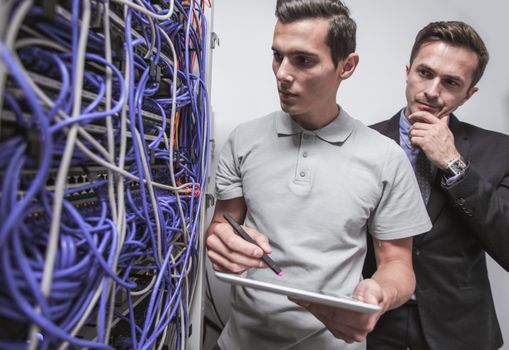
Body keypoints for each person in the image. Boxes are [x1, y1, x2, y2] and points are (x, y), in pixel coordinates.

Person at [205, 0, 432, 349]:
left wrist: (380, 293)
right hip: (239, 342)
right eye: (277, 55)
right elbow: (225, 224)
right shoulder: (243, 140)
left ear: (347, 66)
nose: (282, 73)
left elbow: (398, 265)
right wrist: (221, 243)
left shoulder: (385, 158)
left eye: (303, 60)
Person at [363, 20, 509, 350]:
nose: (432, 91)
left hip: (461, 332)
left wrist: (455, 164)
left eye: (451, 82)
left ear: (469, 93)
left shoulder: (500, 151)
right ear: (408, 71)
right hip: (373, 324)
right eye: (425, 73)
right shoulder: (359, 142)